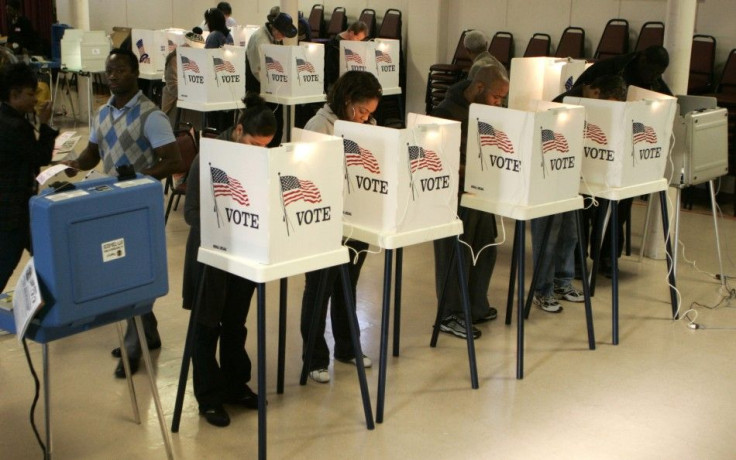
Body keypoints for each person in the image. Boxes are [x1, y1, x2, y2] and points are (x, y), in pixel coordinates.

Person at [63, 48, 183, 378]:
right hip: (109, 205)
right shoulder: (102, 113)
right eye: (109, 70)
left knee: (133, 270)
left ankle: (134, 345)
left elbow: (174, 161)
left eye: (120, 70)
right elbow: (91, 155)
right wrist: (70, 166)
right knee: (120, 267)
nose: (113, 76)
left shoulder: (151, 116)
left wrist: (140, 178)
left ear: (135, 72)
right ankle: (148, 331)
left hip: (139, 206)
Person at [183, 93, 276, 427]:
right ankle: (208, 397)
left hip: (244, 254)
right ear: (238, 131)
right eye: (254, 144)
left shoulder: (257, 158)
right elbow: (190, 212)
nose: (259, 152)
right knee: (207, 326)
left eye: (266, 147)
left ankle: (236, 386)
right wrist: (225, 224)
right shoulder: (208, 158)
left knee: (236, 324)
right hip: (210, 257)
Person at [300, 71, 382, 383]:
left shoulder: (369, 128)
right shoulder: (319, 126)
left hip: (355, 220)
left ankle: (346, 348)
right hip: (324, 222)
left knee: (347, 286)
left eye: (370, 113)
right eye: (361, 111)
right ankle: (314, 358)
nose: (365, 118)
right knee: (318, 290)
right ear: (347, 102)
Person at [527, 76, 628, 312]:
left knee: (570, 234)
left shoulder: (588, 109)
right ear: (596, 92)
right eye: (609, 103)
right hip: (548, 182)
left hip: (572, 181)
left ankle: (563, 282)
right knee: (548, 238)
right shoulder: (560, 107)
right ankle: (542, 290)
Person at [571, 47, 672, 276]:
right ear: (642, 58)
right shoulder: (610, 68)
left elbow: (666, 101)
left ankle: (607, 256)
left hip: (625, 154)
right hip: (592, 150)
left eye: (658, 73)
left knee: (618, 210)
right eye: (652, 71)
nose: (653, 76)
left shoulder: (654, 80)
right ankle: (577, 259)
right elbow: (575, 97)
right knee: (585, 206)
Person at [431, 65, 509, 339]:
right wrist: (471, 167)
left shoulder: (484, 111)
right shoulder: (445, 113)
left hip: (481, 190)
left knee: (485, 247)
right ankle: (450, 314)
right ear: (478, 88)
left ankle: (475, 306)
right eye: (497, 97)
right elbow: (438, 159)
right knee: (456, 254)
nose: (499, 103)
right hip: (455, 196)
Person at [0, 62, 57, 292]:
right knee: (6, 263)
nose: (35, 99)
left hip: (14, 207)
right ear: (14, 95)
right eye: (31, 94)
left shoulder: (6, 118)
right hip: (14, 211)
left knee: (45, 252)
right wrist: (44, 125)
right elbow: (40, 156)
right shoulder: (15, 126)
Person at [245, 6, 298, 94]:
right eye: (283, 34)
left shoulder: (275, 36)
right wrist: (273, 87)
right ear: (275, 29)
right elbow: (257, 70)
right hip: (256, 85)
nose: (284, 37)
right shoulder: (261, 39)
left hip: (269, 81)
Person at [323, 21, 369, 92]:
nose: (358, 43)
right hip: (337, 85)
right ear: (351, 33)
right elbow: (331, 72)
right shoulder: (333, 46)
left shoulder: (352, 45)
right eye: (357, 39)